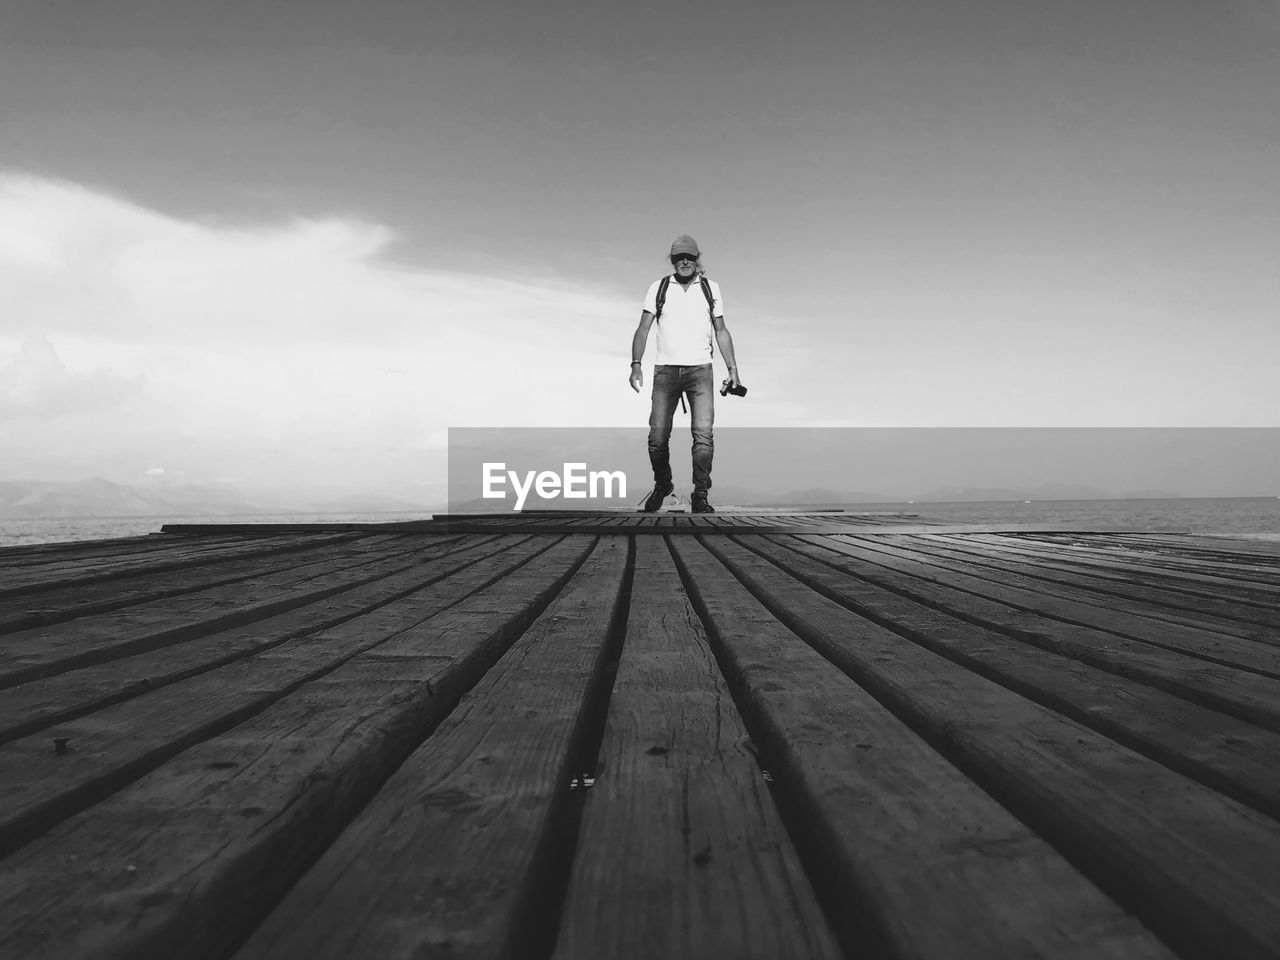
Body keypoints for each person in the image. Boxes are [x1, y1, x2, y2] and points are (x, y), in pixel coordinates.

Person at [629, 234, 740, 513]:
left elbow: (721, 331)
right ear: (673, 260)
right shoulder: (659, 287)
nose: (685, 262)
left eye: (690, 256)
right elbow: (643, 328)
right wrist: (635, 364)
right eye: (679, 257)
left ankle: (700, 494)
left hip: (700, 371)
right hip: (665, 372)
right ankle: (663, 484)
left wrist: (733, 369)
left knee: (703, 436)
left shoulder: (710, 288)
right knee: (657, 437)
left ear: (697, 258)